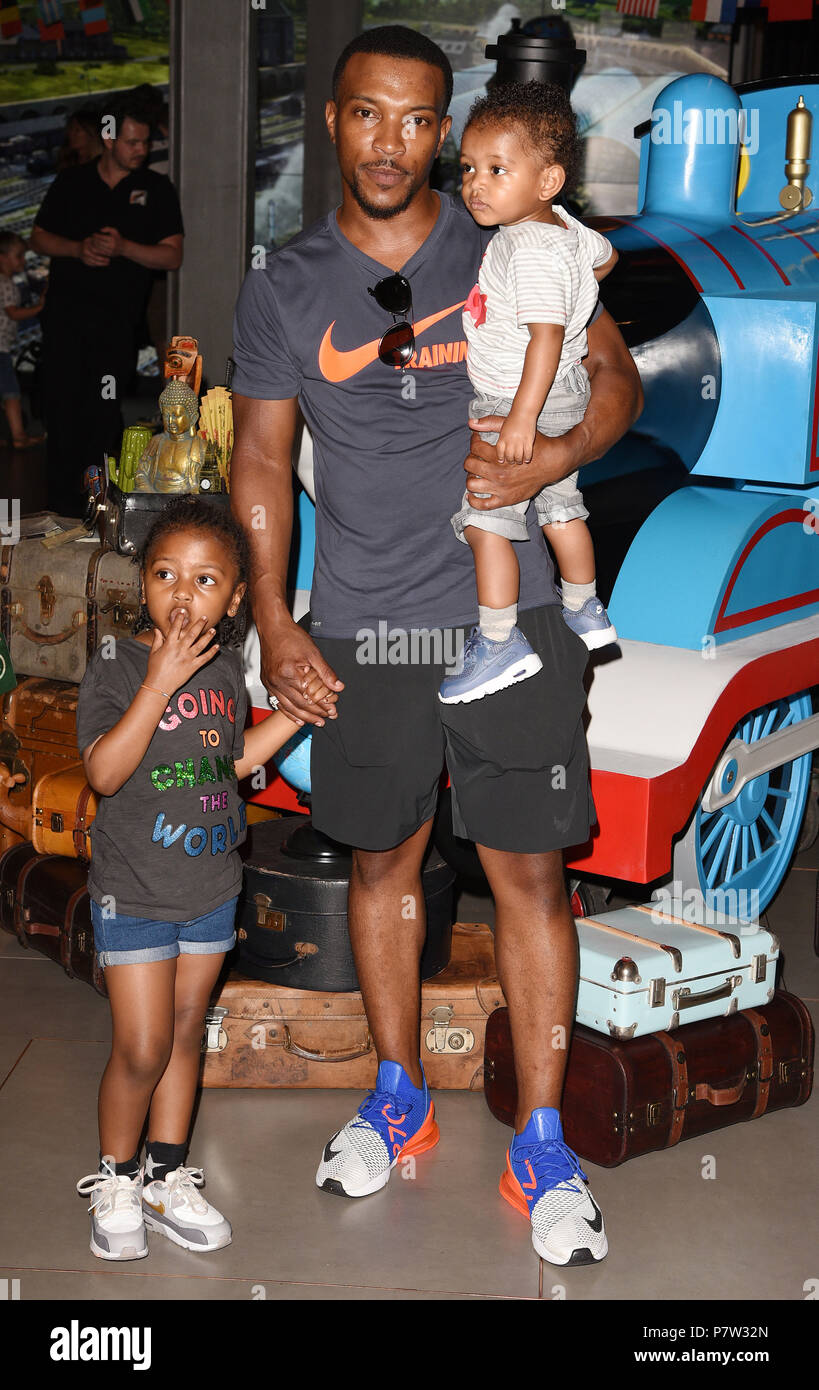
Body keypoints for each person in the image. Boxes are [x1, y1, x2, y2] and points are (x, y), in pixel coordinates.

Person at [231, 26, 642, 1267]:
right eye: (370, 116)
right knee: (382, 870)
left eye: (420, 121)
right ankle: (397, 1090)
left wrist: (556, 455)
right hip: (363, 624)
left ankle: (546, 1139)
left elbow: (614, 378)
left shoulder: (518, 231)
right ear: (334, 123)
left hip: (503, 619)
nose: (395, 144)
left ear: (448, 130)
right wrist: (277, 616)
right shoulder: (285, 283)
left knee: (530, 874)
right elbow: (258, 460)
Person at [74, 497, 336, 1262]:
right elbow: (104, 772)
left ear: (233, 600)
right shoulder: (120, 664)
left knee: (189, 1035)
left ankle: (163, 1174)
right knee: (143, 1045)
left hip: (211, 889)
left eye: (204, 579)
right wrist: (157, 682)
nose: (182, 593)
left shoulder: (225, 669)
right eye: (165, 574)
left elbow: (235, 762)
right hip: (136, 892)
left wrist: (295, 713)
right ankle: (116, 1177)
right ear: (144, 583)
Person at [440, 81, 619, 706]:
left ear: (547, 181)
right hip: (559, 394)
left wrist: (520, 420)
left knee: (488, 518)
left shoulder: (527, 249)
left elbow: (544, 340)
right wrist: (580, 292)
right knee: (560, 504)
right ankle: (585, 605)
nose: (475, 184)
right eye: (467, 168)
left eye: (496, 169)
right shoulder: (563, 229)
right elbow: (606, 257)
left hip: (520, 399)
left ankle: (498, 641)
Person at [31, 96, 184, 516]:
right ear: (109, 139)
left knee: (102, 418)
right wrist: (78, 248)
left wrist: (124, 247)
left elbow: (172, 256)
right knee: (60, 417)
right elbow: (39, 238)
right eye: (133, 141)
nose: (142, 149)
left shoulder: (156, 189)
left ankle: (100, 511)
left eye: (145, 142)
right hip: (64, 321)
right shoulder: (72, 183)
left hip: (116, 326)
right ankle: (58, 514)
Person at [0, 232, 46, 450]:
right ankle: (19, 437)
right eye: (18, 256)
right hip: (0, 350)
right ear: (3, 258)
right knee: (11, 393)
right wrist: (39, 308)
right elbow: (13, 313)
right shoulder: (6, 284)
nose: (23, 261)